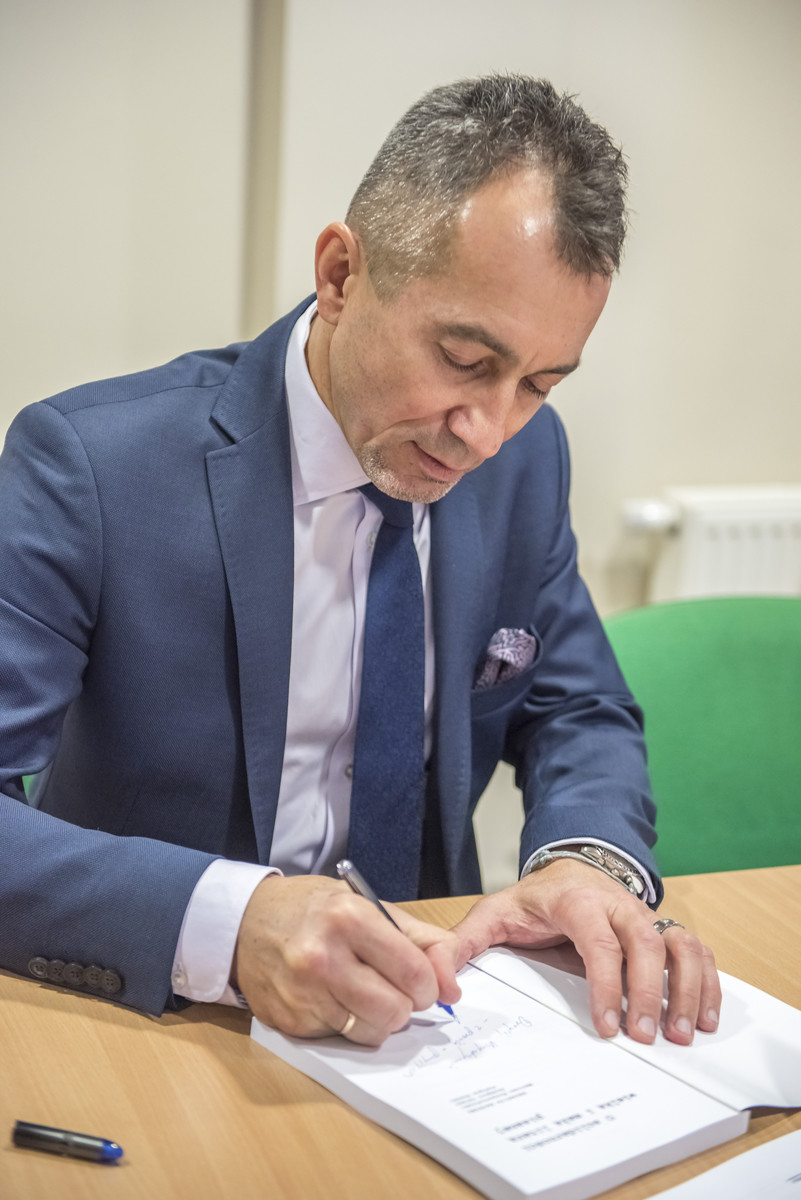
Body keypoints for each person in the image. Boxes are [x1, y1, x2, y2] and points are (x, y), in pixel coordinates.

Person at [0, 74, 720, 1049]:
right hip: (167, 1022)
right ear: (341, 275)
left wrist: (585, 862)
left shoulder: (524, 465)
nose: (487, 433)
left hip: (432, 1020)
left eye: (538, 385)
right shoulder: (93, 467)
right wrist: (230, 921)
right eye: (464, 360)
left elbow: (574, 707)